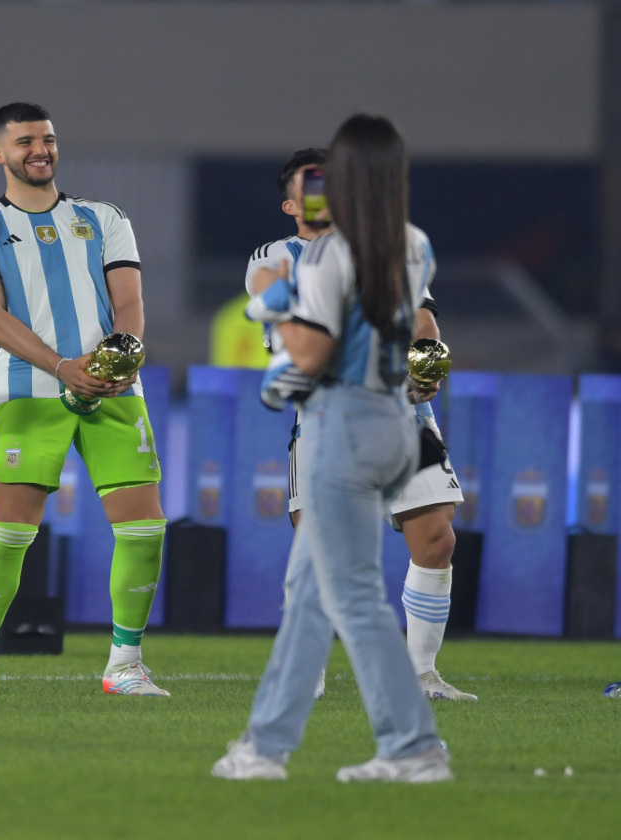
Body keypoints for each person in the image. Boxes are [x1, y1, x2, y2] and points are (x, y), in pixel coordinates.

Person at [214, 114, 452, 783]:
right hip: (398, 424)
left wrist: (272, 307)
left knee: (350, 597)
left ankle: (413, 747)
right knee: (311, 590)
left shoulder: (324, 256)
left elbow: (310, 353)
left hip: (340, 426)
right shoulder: (410, 244)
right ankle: (264, 746)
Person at [0, 103, 167, 697]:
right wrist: (63, 367)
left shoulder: (104, 217)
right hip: (31, 394)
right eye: (25, 142)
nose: (40, 150)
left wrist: (122, 356)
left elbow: (129, 302)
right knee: (12, 532)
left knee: (145, 530)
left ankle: (124, 665)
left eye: (47, 139)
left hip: (115, 391)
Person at [248, 148, 474, 702]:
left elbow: (423, 318)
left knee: (437, 539)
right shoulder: (274, 257)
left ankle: (420, 673)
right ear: (291, 203)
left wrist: (427, 360)